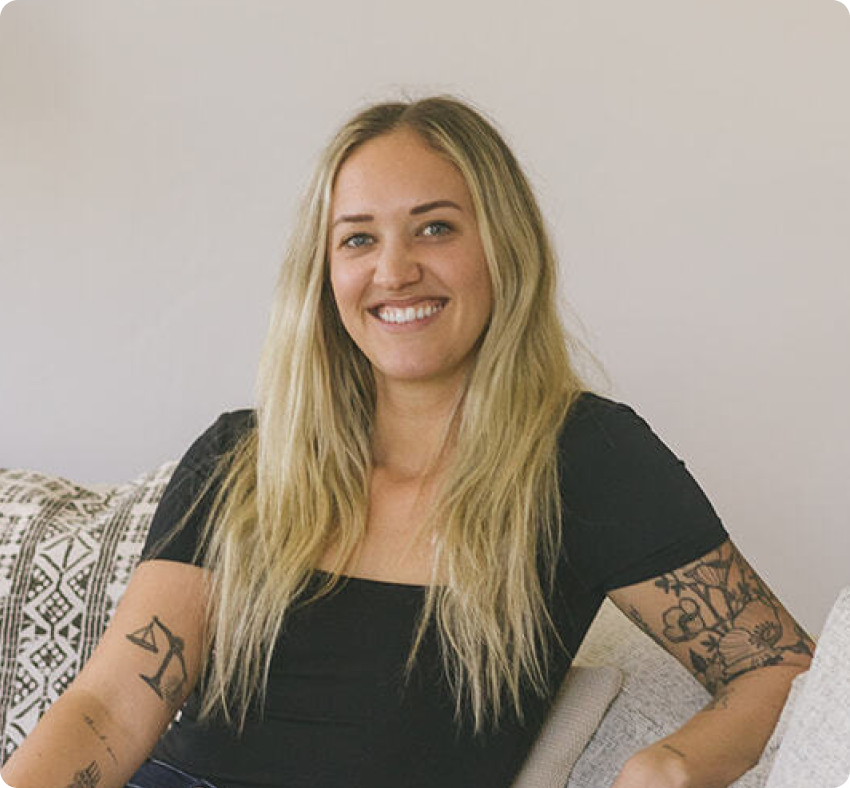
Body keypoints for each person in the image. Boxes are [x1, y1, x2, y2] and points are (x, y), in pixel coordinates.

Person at [0, 95, 815, 788]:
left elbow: (779, 665)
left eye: (434, 228)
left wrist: (667, 767)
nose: (394, 271)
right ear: (324, 275)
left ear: (503, 246)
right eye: (358, 238)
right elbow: (111, 708)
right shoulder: (241, 460)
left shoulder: (585, 461)